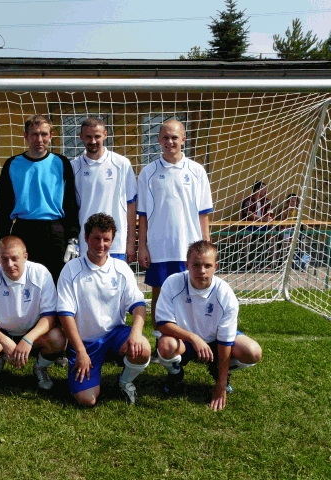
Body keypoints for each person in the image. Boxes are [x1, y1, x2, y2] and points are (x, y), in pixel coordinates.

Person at [155, 240, 262, 411]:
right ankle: (175, 374)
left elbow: (225, 340)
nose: (202, 271)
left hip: (215, 341)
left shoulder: (225, 294)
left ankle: (218, 371)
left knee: (253, 351)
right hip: (185, 341)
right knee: (165, 346)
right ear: (187, 265)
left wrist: (221, 386)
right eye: (196, 265)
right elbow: (162, 324)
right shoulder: (172, 283)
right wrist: (194, 338)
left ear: (215, 267)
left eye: (207, 265)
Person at [58, 213, 151, 406]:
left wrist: (135, 333)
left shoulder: (121, 268)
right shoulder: (71, 270)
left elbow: (138, 305)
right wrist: (80, 351)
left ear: (112, 240)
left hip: (115, 335)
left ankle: (125, 381)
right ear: (86, 238)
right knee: (87, 400)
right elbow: (65, 315)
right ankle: (87, 368)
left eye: (106, 239)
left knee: (143, 347)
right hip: (86, 343)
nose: (101, 244)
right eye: (96, 238)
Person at [137, 119, 213, 343]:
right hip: (159, 246)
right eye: (165, 137)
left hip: (190, 245)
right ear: (159, 140)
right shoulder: (148, 172)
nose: (170, 142)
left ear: (184, 140)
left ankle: (192, 338)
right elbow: (143, 215)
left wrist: (206, 245)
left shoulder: (197, 171)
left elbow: (203, 213)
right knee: (159, 293)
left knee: (191, 293)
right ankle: (160, 339)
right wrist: (142, 246)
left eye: (174, 137)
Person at [0, 236, 66, 389]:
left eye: (14, 258)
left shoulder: (41, 274)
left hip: (32, 333)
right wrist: (4, 340)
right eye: (4, 259)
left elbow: (49, 316)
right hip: (2, 333)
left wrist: (28, 339)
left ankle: (40, 367)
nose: (10, 264)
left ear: (25, 257)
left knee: (58, 339)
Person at [0, 114, 79, 284]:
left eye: (44, 134)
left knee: (56, 283)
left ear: (51, 136)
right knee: (25, 283)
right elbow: (4, 207)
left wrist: (73, 238)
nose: (39, 139)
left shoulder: (62, 163)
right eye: (34, 134)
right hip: (23, 230)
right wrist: (1, 241)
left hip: (54, 231)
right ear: (26, 136)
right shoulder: (12, 164)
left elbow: (70, 203)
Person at [71, 117, 137, 262]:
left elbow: (131, 204)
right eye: (88, 136)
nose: (93, 141)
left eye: (97, 136)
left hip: (115, 244)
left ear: (105, 135)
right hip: (86, 243)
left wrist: (131, 240)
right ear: (81, 136)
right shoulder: (74, 167)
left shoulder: (122, 164)